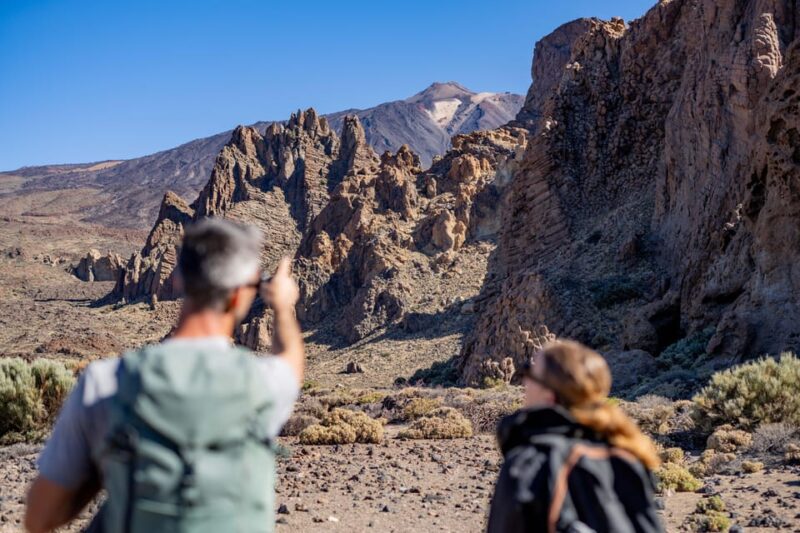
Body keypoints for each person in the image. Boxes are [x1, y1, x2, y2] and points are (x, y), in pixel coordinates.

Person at [25, 218, 305, 533]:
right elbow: (291, 361)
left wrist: (104, 479)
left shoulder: (105, 383)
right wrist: (282, 306)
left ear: (177, 279)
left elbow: (39, 519)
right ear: (242, 293)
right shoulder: (264, 385)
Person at [487, 340, 663, 533]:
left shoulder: (533, 462)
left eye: (529, 371)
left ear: (550, 395)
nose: (524, 381)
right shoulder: (627, 457)